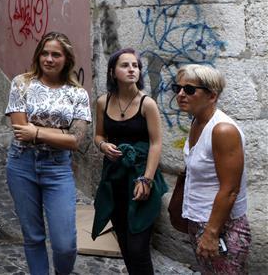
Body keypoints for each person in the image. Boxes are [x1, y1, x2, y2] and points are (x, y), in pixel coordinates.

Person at [6, 32, 91, 275]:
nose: (49, 59)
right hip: (22, 165)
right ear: (38, 55)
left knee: (65, 244)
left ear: (67, 59)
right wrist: (59, 132)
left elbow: (76, 141)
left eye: (56, 54)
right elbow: (21, 130)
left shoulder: (77, 94)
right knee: (33, 236)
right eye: (45, 53)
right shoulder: (22, 83)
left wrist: (38, 132)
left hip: (58, 169)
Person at [91, 48, 166, 275]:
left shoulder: (147, 103)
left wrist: (147, 179)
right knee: (124, 242)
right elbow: (99, 135)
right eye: (125, 65)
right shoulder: (103, 102)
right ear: (113, 72)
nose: (132, 69)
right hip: (115, 179)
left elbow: (156, 143)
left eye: (135, 65)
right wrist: (103, 146)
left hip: (141, 177)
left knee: (138, 247)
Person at [176, 64, 250, 274]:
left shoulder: (223, 130)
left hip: (222, 227)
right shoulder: (197, 121)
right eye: (178, 88)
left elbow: (230, 190)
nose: (181, 94)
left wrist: (211, 233)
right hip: (201, 221)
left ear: (212, 96)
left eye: (189, 89)